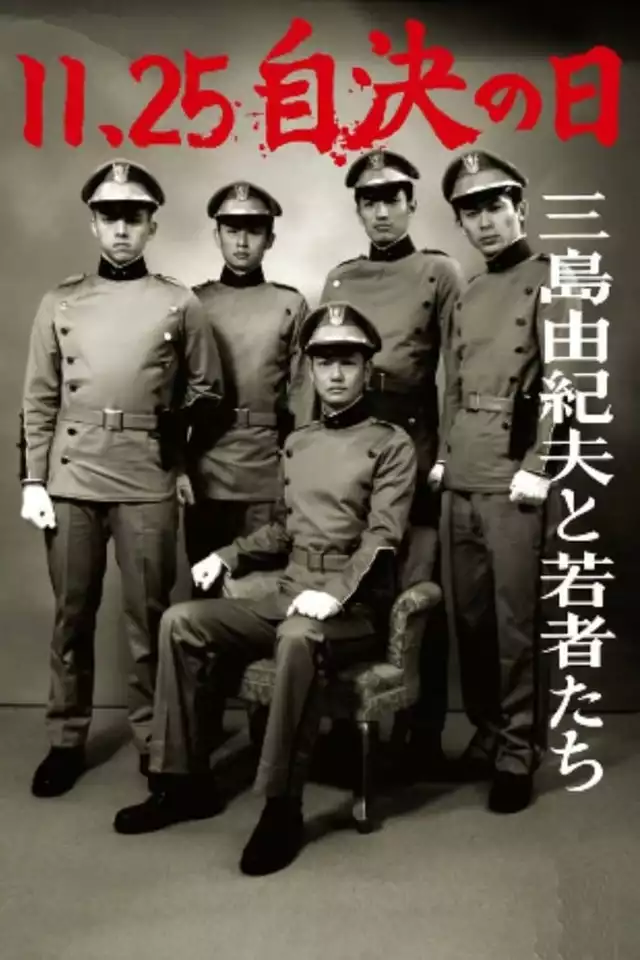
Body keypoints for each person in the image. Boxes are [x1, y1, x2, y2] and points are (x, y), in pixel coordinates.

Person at [112, 302, 417, 877]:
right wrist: (226, 555)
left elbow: (383, 537)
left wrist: (336, 593)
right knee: (181, 622)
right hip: (288, 592)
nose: (334, 374)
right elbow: (282, 527)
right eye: (323, 361)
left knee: (299, 637)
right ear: (310, 369)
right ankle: (183, 782)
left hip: (350, 611)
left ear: (366, 368)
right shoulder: (298, 442)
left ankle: (281, 806)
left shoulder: (391, 443)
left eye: (347, 361)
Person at [20, 158, 224, 798]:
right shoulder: (61, 301)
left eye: (134, 217)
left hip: (145, 475)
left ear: (152, 225)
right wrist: (33, 480)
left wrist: (178, 452)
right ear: (93, 224)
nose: (121, 229)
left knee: (149, 617)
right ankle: (65, 737)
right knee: (72, 615)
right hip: (73, 475)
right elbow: (38, 398)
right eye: (110, 217)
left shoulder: (179, 301)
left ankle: (153, 737)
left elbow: (208, 391)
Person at [430, 149, 574, 812]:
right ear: (460, 223)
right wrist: (442, 456)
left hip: (515, 472)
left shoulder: (551, 278)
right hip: (463, 469)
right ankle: (488, 733)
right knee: (470, 620)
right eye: (471, 212)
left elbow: (566, 381)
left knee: (516, 621)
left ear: (520, 208)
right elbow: (452, 385)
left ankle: (518, 749)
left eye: (494, 207)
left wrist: (542, 464)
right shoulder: (467, 293)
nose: (484, 222)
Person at [317, 148, 466, 774]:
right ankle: (342, 726)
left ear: (412, 204)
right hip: (350, 447)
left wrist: (447, 453)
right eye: (369, 202)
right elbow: (322, 371)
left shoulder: (439, 271)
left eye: (392, 200)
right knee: (350, 578)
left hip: (415, 445)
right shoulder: (341, 278)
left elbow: (459, 371)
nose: (381, 212)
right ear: (358, 210)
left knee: (416, 586)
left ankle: (421, 734)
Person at [185, 181, 308, 583]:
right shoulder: (193, 303)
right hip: (207, 470)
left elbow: (304, 397)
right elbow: (171, 395)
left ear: (270, 239)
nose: (241, 242)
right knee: (206, 591)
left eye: (254, 231)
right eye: (232, 230)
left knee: (262, 591)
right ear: (216, 235)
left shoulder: (290, 305)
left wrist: (298, 473)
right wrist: (178, 467)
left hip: (265, 472)